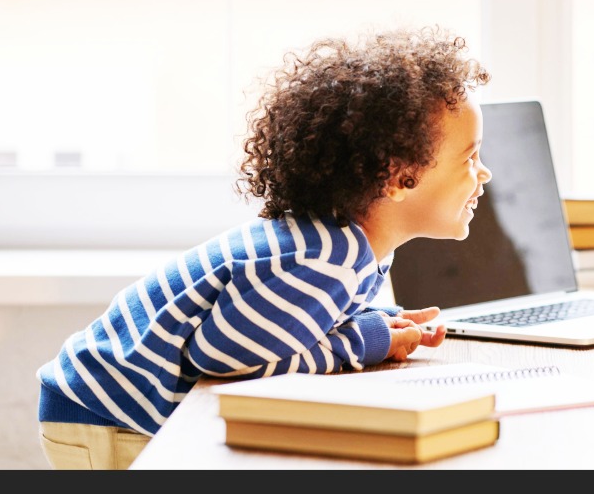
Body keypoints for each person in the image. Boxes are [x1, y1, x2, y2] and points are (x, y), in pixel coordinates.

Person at [36, 27, 492, 470]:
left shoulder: (340, 247)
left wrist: (371, 324)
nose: (484, 174)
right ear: (397, 178)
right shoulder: (322, 259)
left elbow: (286, 331)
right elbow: (224, 362)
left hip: (107, 404)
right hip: (106, 416)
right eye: (470, 158)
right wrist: (359, 342)